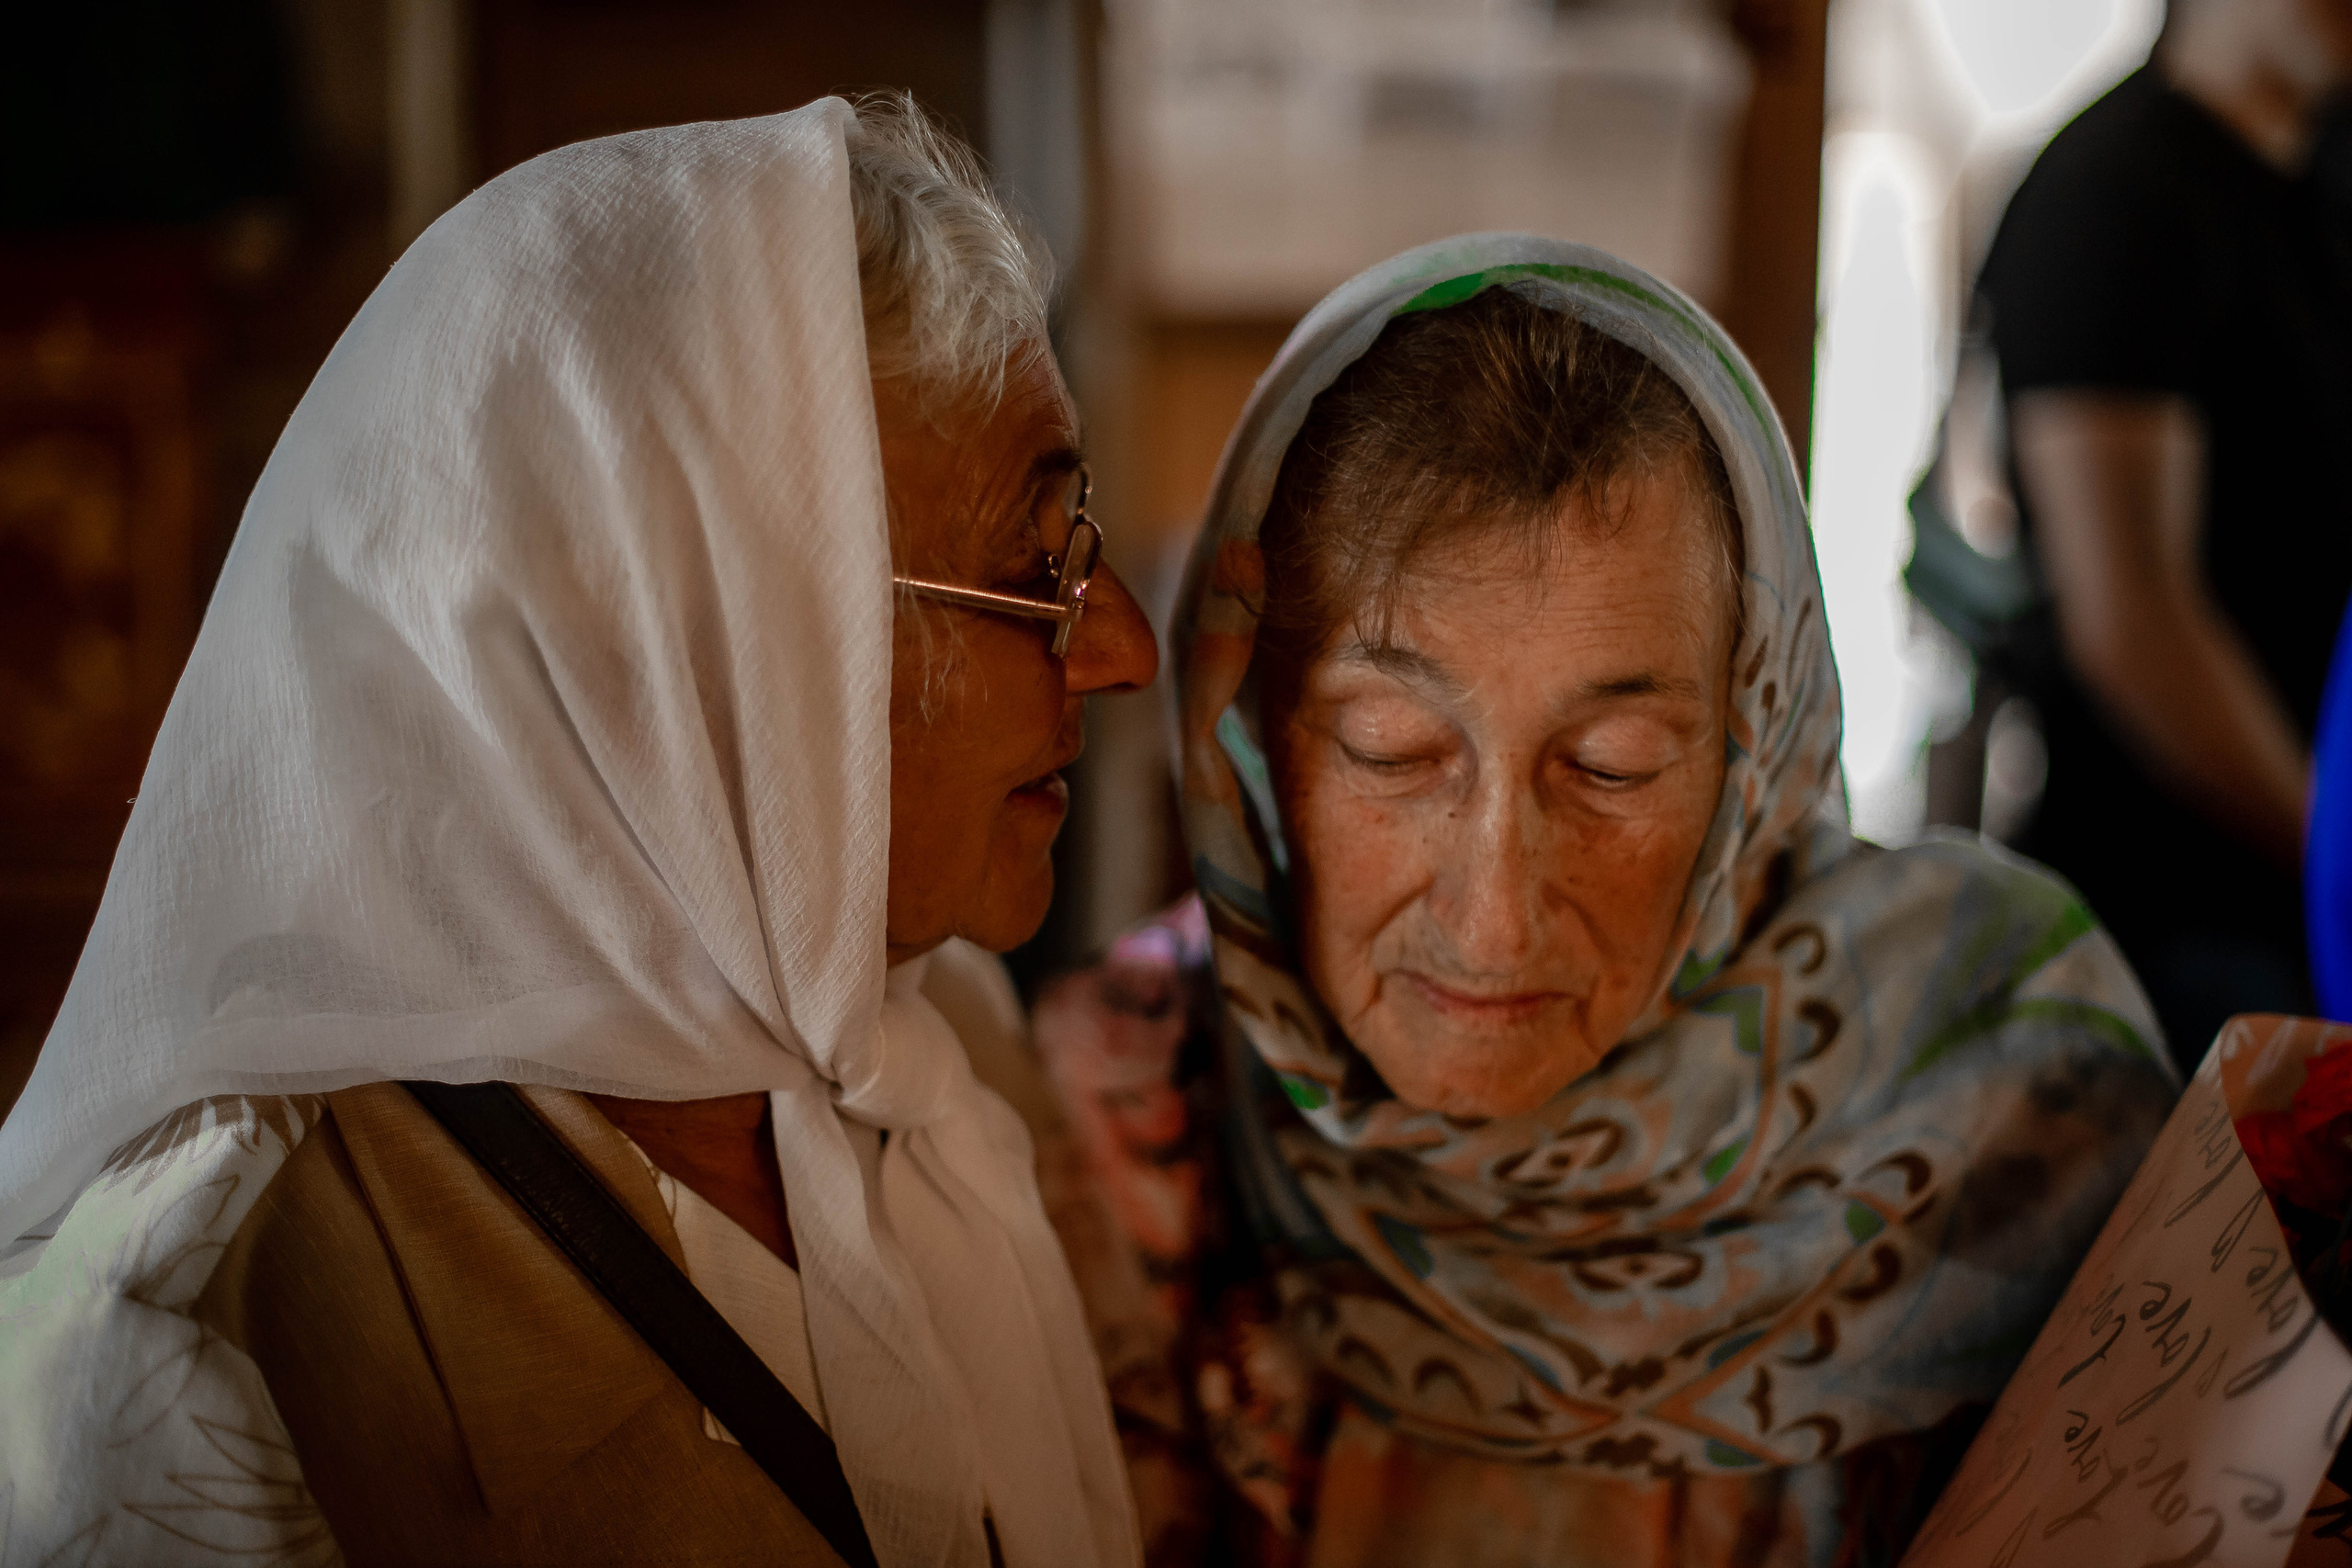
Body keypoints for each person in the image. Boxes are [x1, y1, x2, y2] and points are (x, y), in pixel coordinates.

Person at [0, 96, 1155, 1566]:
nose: (1121, 648)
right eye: (1033, 564)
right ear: (687, 648)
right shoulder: (186, 1364)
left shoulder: (943, 1060)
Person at [1023, 237, 2177, 1568]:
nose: (1496, 916)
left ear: (1757, 745)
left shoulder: (2019, 1097)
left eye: (1613, 767)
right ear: (1251, 737)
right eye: (1392, 747)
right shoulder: (1109, 1108)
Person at [1973, 0, 2352, 1069]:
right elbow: (2131, 622)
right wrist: (2333, 861)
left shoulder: (2321, 185)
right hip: (2175, 930)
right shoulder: (2118, 193)